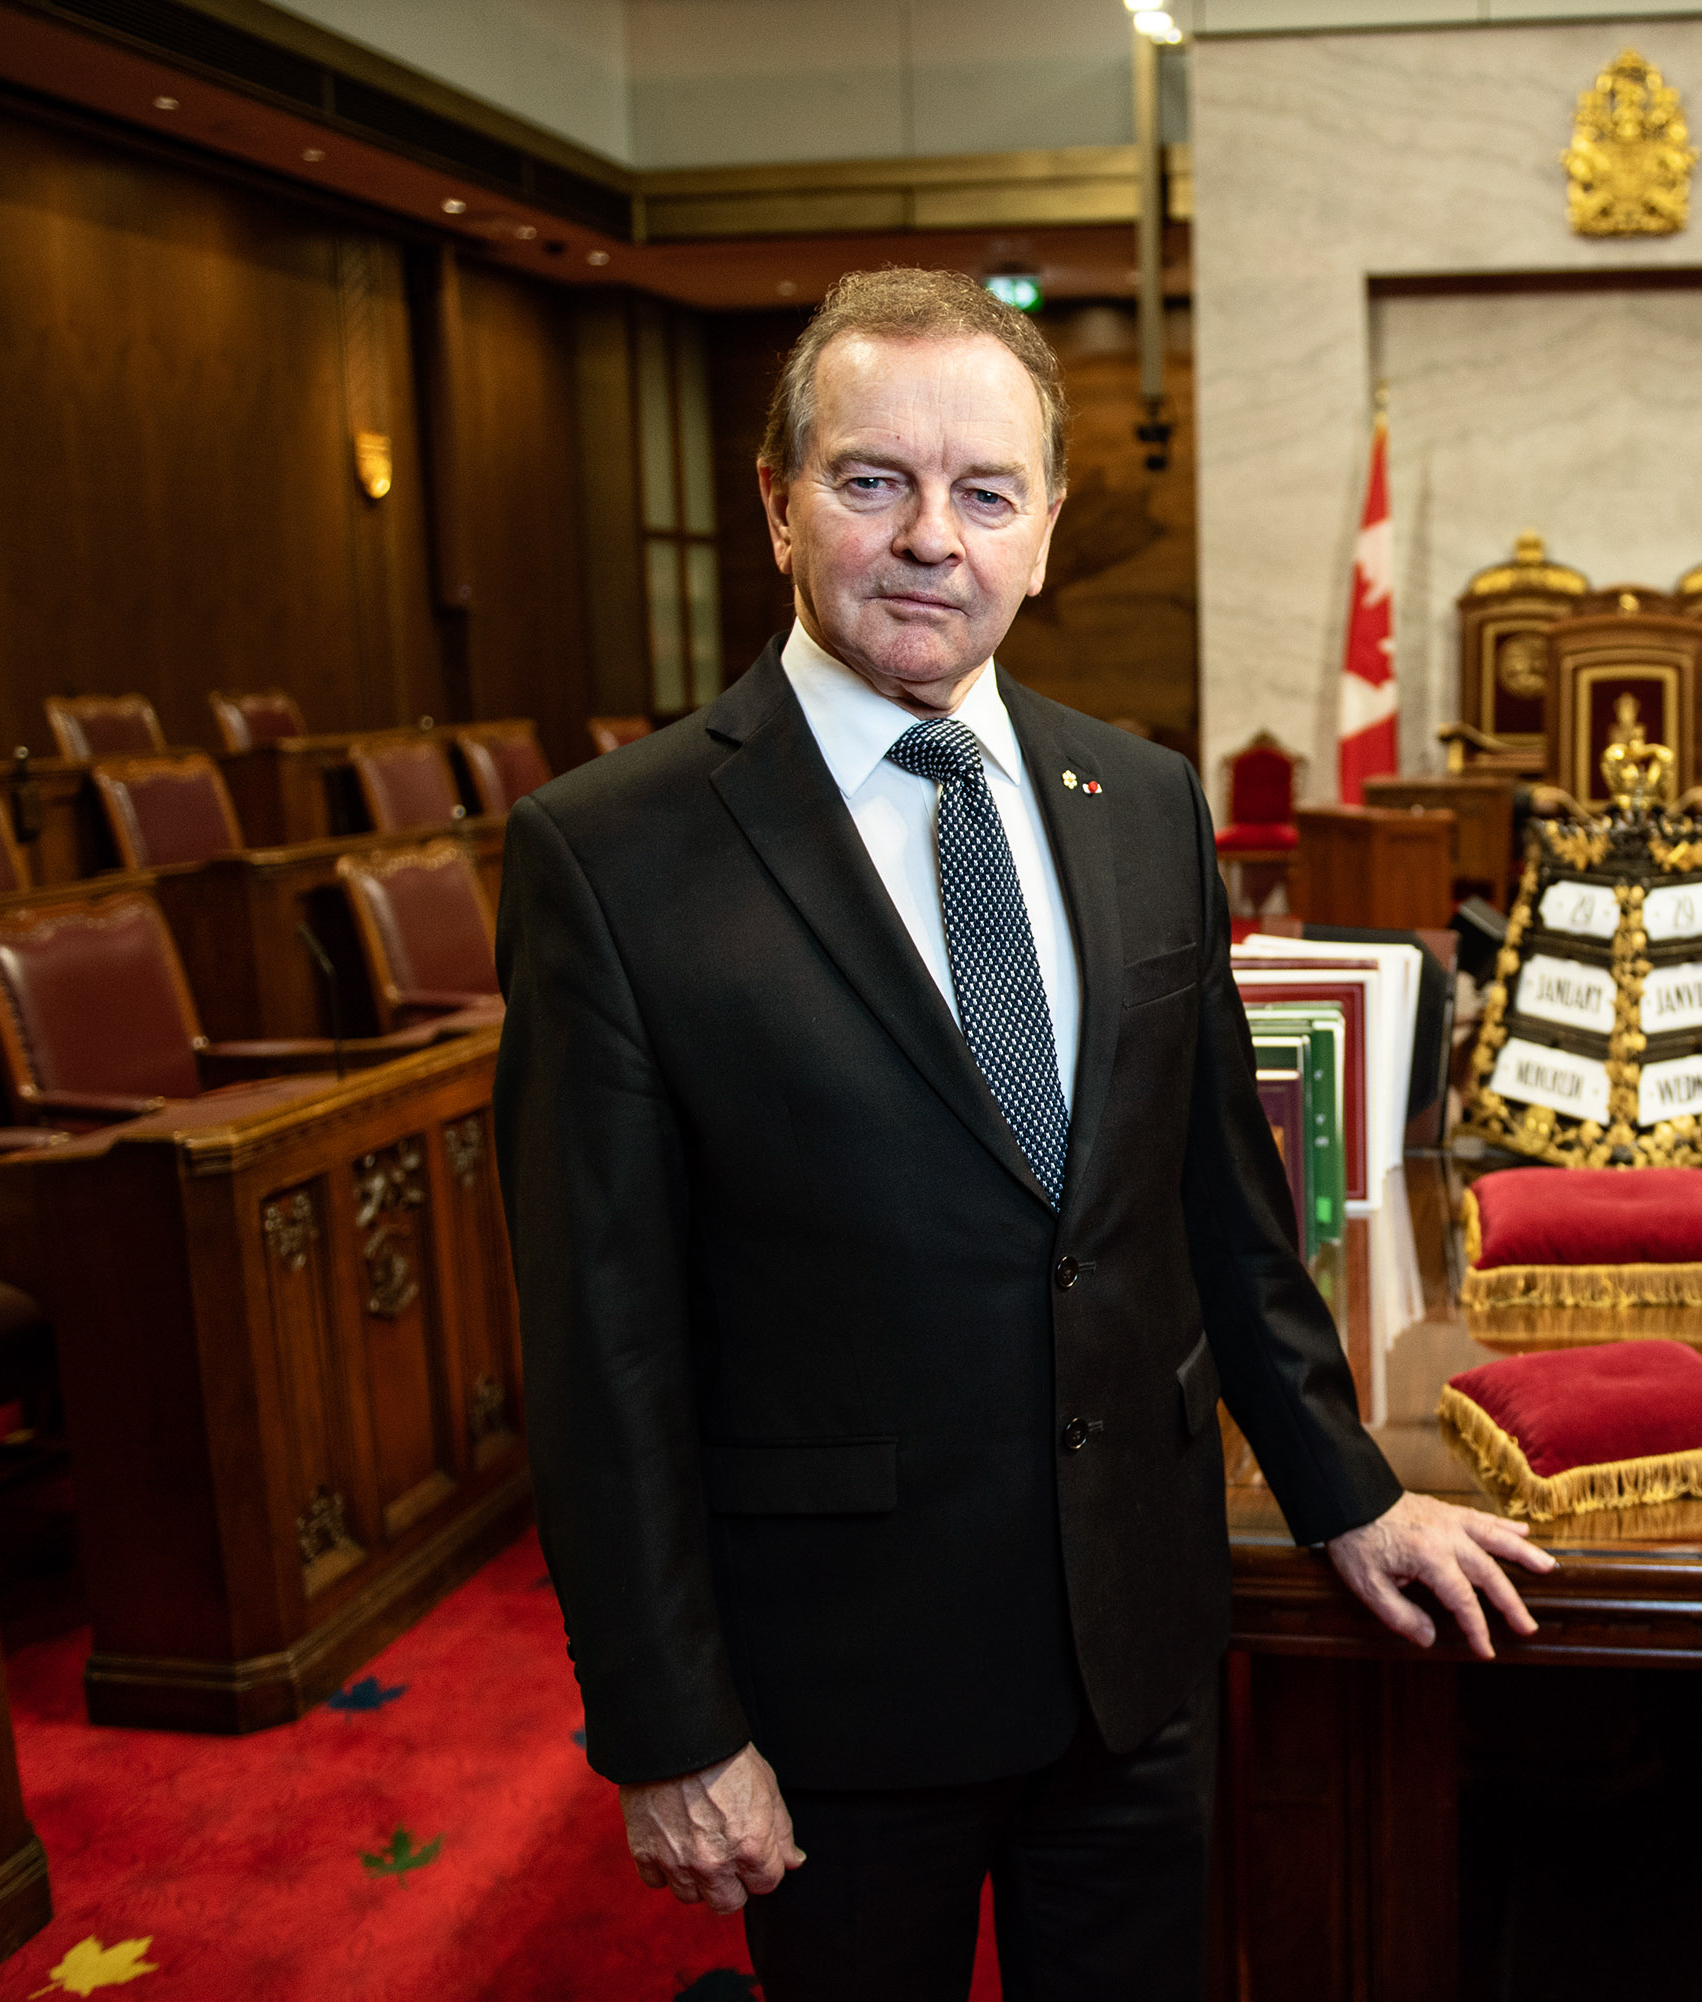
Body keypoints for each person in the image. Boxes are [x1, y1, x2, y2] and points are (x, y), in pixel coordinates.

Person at [495, 266, 1551, 2000]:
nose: (931, 536)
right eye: (869, 480)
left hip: (1132, 1651)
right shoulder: (612, 855)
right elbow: (601, 1349)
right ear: (777, 503)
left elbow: (1220, 1204)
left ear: (1044, 532)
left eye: (985, 491)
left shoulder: (1137, 797)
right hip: (836, 1692)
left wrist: (1346, 1493)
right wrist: (668, 1723)